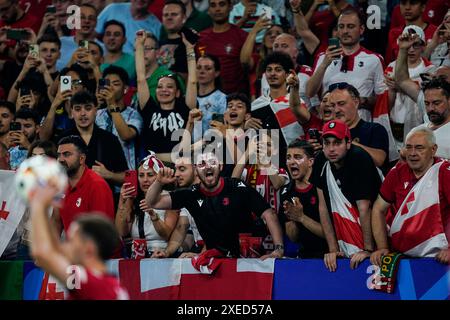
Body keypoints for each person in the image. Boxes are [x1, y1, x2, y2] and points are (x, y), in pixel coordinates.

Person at [146, 151, 285, 259]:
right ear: (195, 170)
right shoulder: (191, 194)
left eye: (212, 162)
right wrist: (159, 182)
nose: (207, 167)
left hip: (246, 257)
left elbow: (269, 214)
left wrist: (278, 249)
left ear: (220, 166)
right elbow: (153, 202)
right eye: (201, 164)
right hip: (214, 258)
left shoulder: (238, 187)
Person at [29, 185, 128, 299]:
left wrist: (38, 205)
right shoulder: (110, 284)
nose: (66, 246)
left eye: (72, 241)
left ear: (89, 248)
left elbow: (42, 254)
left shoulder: (89, 281)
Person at [371, 127, 449, 265]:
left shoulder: (444, 172)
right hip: (403, 257)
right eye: (409, 147)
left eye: (419, 148)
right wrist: (382, 247)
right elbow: (378, 209)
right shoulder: (397, 173)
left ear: (433, 149)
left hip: (438, 258)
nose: (412, 153)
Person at [316, 120, 381, 272]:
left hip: (376, 228)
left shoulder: (360, 158)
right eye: (327, 143)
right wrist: (333, 250)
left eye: (337, 143)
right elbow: (323, 206)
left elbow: (364, 208)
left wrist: (367, 249)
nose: (331, 149)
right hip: (344, 230)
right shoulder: (320, 160)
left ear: (348, 143)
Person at [306, 8, 385, 121]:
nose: (345, 31)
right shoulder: (323, 58)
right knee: (273, 136)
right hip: (331, 127)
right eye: (341, 27)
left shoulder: (374, 60)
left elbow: (382, 99)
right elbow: (309, 92)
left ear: (361, 29)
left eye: (350, 26)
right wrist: (324, 65)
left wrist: (362, 100)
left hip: (361, 125)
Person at [137, 35, 196, 163]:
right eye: (160, 87)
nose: (164, 90)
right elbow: (141, 79)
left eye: (170, 87)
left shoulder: (184, 109)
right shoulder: (149, 109)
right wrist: (139, 46)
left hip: (180, 166)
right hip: (153, 167)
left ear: (178, 93)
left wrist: (190, 48)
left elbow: (192, 81)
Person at [395, 32, 450, 159]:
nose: (431, 107)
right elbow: (402, 80)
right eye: (434, 78)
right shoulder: (428, 98)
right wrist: (403, 50)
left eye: (442, 78)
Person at [60, 90, 129, 190]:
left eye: (88, 108)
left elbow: (127, 177)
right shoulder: (62, 140)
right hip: (71, 200)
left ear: (96, 110)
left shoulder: (110, 139)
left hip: (102, 200)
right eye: (78, 109)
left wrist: (109, 175)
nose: (83, 113)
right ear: (71, 112)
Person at [247, 51, 305, 168]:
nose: (272, 73)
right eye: (269, 70)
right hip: (264, 168)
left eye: (278, 70)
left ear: (288, 74)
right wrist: (245, 126)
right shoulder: (256, 105)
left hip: (292, 163)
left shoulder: (296, 103)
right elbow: (250, 142)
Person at [115, 156, 180, 258]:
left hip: (160, 255)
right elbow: (121, 232)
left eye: (150, 175)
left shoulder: (169, 198)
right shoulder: (133, 200)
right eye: (141, 175)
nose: (145, 180)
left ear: (159, 176)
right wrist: (121, 202)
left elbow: (166, 234)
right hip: (136, 255)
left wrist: (153, 215)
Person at [52, 135, 115, 236]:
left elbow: (101, 232)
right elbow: (56, 221)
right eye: (59, 155)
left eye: (66, 154)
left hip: (96, 249)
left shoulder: (97, 185)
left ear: (81, 159)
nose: (60, 159)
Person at [279, 139, 327, 258]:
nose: (291, 162)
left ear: (310, 162)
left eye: (297, 157)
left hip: (331, 255)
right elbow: (293, 238)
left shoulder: (322, 187)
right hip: (304, 257)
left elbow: (332, 234)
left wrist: (301, 217)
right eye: (288, 157)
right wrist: (292, 217)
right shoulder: (286, 192)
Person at [96, 65, 143, 170]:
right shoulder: (96, 114)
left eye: (116, 84)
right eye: (107, 84)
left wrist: (112, 104)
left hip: (126, 176)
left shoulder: (134, 115)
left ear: (125, 89)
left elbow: (126, 135)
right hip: (100, 174)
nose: (110, 88)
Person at [197, 0, 249, 94]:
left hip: (235, 100)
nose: (217, 9)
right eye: (213, 5)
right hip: (205, 99)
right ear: (208, 9)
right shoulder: (200, 38)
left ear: (230, 7)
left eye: (222, 4)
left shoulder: (242, 36)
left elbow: (249, 67)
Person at [96, 0, 162, 55]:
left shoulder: (157, 26)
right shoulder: (112, 9)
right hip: (101, 62)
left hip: (133, 68)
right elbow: (89, 36)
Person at [386, 0, 437, 64]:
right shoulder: (394, 33)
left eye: (413, 3)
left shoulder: (436, 33)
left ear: (423, 7)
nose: (407, 7)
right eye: (403, 3)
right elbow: (389, 63)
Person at [57, 3, 104, 71]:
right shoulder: (60, 42)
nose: (87, 21)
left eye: (91, 18)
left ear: (96, 23)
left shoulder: (103, 49)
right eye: (82, 17)